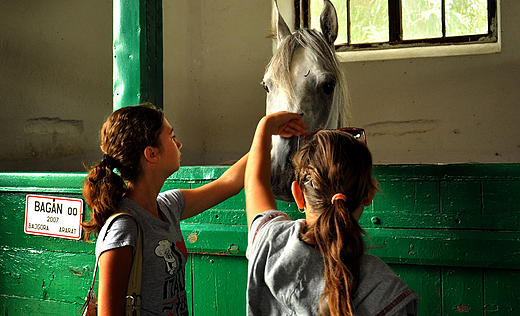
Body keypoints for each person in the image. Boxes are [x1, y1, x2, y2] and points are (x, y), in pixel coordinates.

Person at [244, 111, 419, 316]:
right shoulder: (386, 289)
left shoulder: (271, 240)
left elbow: (253, 184)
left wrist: (265, 128)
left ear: (298, 194)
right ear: (369, 194)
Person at [82, 103, 248, 316]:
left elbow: (229, 183)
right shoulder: (123, 227)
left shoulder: (170, 205)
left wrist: (269, 139)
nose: (179, 144)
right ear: (151, 154)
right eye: (171, 137)